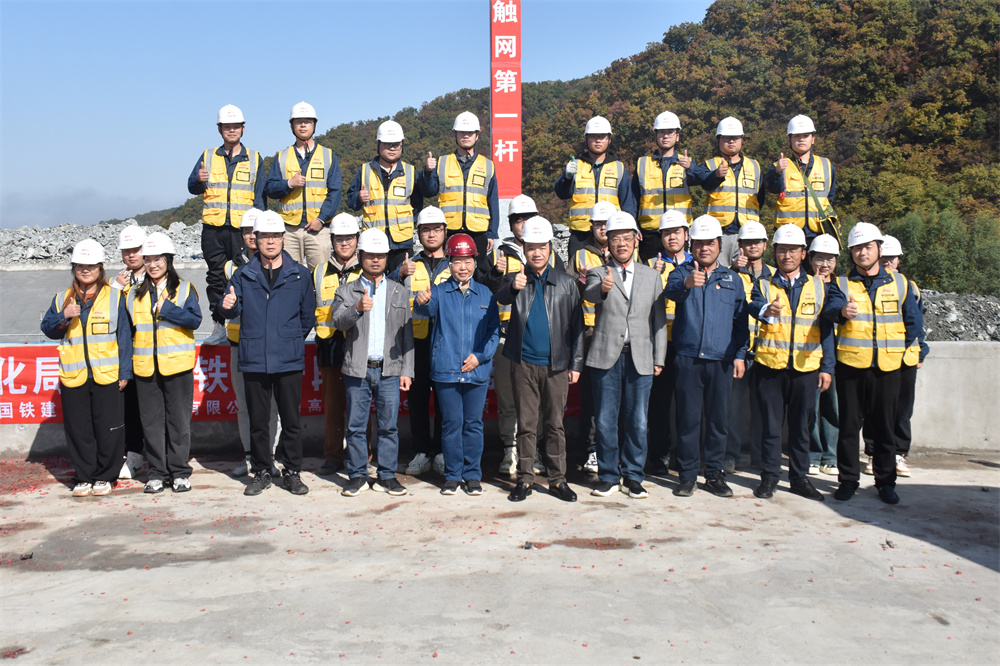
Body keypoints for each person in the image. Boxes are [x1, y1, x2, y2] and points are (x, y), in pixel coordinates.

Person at [219, 211, 316, 497]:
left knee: (291, 420)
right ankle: (261, 471)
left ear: (283, 239)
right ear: (255, 239)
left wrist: (289, 339)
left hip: (288, 357)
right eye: (264, 236)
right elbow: (232, 309)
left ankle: (292, 472)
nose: (270, 242)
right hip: (254, 358)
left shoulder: (299, 274)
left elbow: (307, 316)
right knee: (258, 421)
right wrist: (227, 305)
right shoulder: (243, 274)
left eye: (275, 236)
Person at [748, 225, 845, 501]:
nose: (787, 256)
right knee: (771, 427)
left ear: (803, 254)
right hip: (770, 367)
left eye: (793, 250)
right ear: (774, 252)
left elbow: (827, 328)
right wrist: (766, 309)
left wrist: (827, 368)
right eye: (782, 250)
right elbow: (753, 305)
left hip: (806, 368)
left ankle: (799, 478)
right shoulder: (763, 284)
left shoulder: (820, 286)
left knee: (802, 427)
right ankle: (769, 477)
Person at [831, 223, 922, 504]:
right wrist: (842, 311)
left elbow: (913, 322)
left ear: (879, 250)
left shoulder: (900, 283)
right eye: (856, 248)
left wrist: (896, 352)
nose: (862, 253)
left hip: (887, 368)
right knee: (848, 428)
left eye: (867, 247)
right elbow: (829, 310)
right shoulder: (841, 283)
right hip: (850, 366)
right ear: (851, 253)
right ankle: (848, 480)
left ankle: (885, 482)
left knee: (884, 428)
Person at [496, 217, 584, 502]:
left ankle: (558, 480)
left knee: (555, 424)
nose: (536, 253)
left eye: (542, 247)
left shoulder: (566, 283)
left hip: (556, 366)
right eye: (531, 247)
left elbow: (578, 327)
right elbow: (500, 295)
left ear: (550, 248)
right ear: (524, 249)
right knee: (526, 423)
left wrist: (576, 364)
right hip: (523, 364)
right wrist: (513, 286)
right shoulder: (516, 278)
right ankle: (525, 479)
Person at [664, 215, 749, 498]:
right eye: (699, 243)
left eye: (709, 243)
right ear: (692, 245)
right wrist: (688, 283)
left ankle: (714, 474)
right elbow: (671, 292)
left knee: (717, 421)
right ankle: (687, 476)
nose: (704, 248)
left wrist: (739, 355)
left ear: (719, 245)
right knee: (688, 420)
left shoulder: (733, 279)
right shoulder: (681, 273)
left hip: (721, 360)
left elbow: (740, 321)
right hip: (688, 358)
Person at [584, 211, 667, 499]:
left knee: (638, 421)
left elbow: (659, 320)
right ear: (608, 243)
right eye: (615, 238)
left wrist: (659, 357)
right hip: (607, 356)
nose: (621, 243)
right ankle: (608, 476)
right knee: (605, 420)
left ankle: (633, 476)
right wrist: (603, 290)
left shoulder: (651, 276)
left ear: (636, 240)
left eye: (626, 238)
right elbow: (590, 294)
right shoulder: (599, 272)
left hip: (640, 356)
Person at [41, 240, 133, 497]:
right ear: (74, 268)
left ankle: (105, 476)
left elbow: (124, 337)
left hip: (107, 374)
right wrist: (64, 315)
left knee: (109, 428)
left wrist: (125, 372)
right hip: (75, 375)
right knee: (78, 429)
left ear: (100, 268)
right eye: (80, 265)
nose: (85, 270)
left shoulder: (114, 296)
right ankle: (84, 476)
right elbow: (48, 329)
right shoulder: (62, 299)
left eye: (91, 266)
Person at [482, 194, 562, 477]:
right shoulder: (497, 253)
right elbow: (484, 289)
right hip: (507, 337)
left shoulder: (550, 253)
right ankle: (510, 450)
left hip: (538, 339)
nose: (523, 223)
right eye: (518, 219)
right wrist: (495, 274)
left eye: (528, 218)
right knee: (508, 399)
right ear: (511, 222)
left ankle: (533, 451)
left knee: (535, 402)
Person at [413, 233, 500, 495]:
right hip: (446, 369)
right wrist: (421, 301)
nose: (463, 267)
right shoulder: (439, 292)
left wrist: (479, 357)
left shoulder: (485, 293)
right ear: (449, 263)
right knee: (451, 424)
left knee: (473, 424)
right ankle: (452, 476)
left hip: (476, 370)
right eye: (457, 261)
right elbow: (424, 310)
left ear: (475, 262)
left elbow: (493, 332)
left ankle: (472, 475)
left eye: (468, 261)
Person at [331, 228, 414, 497]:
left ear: (387, 258)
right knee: (356, 426)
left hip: (389, 369)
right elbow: (337, 322)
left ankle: (387, 475)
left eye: (381, 255)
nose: (375, 260)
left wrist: (407, 370)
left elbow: (407, 333)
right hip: (358, 369)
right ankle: (357, 475)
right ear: (360, 256)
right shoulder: (347, 291)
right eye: (370, 255)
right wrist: (356, 309)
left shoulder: (399, 291)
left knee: (389, 426)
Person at [127, 232, 203, 494]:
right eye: (148, 260)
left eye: (157, 259)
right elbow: (128, 331)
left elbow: (195, 320)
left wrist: (167, 309)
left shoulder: (184, 289)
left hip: (177, 366)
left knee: (178, 422)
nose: (152, 264)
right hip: (146, 367)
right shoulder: (134, 293)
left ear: (168, 260)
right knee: (151, 423)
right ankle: (157, 473)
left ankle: (179, 472)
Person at [187, 104, 266, 346]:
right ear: (219, 129)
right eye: (227, 127)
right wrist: (198, 180)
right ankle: (219, 324)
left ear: (243, 129)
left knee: (247, 273)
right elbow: (192, 186)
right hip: (214, 229)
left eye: (236, 127)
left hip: (243, 230)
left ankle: (248, 322)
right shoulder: (208, 156)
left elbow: (260, 198)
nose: (231, 130)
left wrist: (258, 230)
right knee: (216, 278)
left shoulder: (254, 158)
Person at [861, 234, 929, 478]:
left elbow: (917, 323)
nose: (888, 262)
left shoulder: (908, 286)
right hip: (877, 358)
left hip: (905, 359)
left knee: (902, 409)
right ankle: (873, 453)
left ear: (899, 260)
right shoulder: (868, 285)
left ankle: (899, 453)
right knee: (873, 408)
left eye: (892, 258)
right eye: (885, 258)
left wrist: (921, 350)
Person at [394, 207, 452, 477]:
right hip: (415, 343)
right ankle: (420, 452)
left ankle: (440, 452)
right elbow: (389, 291)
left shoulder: (454, 264)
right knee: (416, 400)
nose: (431, 235)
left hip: (445, 343)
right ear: (418, 233)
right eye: (426, 230)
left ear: (445, 232)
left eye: (436, 229)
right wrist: (399, 273)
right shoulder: (409, 265)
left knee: (444, 400)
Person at [224, 209, 281, 478]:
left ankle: (270, 456)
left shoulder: (280, 264)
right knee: (245, 404)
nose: (250, 236)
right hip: (240, 343)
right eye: (246, 231)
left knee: (272, 407)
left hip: (271, 345)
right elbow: (223, 303)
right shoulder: (231, 268)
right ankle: (250, 456)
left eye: (254, 231)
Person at [568, 200, 618, 473]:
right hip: (589, 331)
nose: (602, 229)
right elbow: (568, 291)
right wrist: (581, 282)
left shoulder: (626, 254)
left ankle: (611, 447)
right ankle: (590, 448)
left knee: (613, 393)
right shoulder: (580, 256)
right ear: (591, 227)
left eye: (606, 225)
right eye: (598, 224)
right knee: (590, 394)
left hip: (615, 330)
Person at [314, 213, 364, 476]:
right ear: (332, 241)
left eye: (349, 238)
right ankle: (333, 456)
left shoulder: (366, 270)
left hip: (359, 346)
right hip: (330, 346)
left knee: (360, 405)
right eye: (339, 239)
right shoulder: (319, 272)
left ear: (357, 239)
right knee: (333, 407)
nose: (344, 243)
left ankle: (363, 456)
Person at [265, 101, 343, 270]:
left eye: (307, 121)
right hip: (289, 230)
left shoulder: (328, 156)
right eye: (298, 122)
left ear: (314, 125)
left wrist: (321, 219)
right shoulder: (282, 157)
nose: (302, 125)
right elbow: (270, 189)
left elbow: (335, 191)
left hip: (318, 230)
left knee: (320, 275)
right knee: (290, 276)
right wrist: (288, 184)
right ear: (291, 126)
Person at [346, 120, 432, 273]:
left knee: (402, 282)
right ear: (378, 144)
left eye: (396, 145)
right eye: (387, 144)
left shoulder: (410, 171)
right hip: (373, 241)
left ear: (402, 145)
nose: (392, 148)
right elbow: (350, 201)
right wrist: (358, 198)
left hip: (402, 243)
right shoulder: (365, 170)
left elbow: (418, 203)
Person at [725, 221, 774, 472]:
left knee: (764, 408)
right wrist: (734, 268)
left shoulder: (774, 275)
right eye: (747, 242)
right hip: (738, 350)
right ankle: (730, 455)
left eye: (757, 242)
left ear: (765, 245)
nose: (753, 246)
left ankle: (761, 456)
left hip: (767, 349)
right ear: (740, 245)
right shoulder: (730, 273)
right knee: (732, 408)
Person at [645, 210, 691, 475]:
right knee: (659, 406)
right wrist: (652, 276)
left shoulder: (697, 263)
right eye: (666, 233)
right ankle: (659, 457)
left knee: (687, 406)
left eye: (676, 232)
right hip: (660, 344)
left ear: (686, 234)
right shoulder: (650, 264)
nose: (672, 237)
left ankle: (685, 459)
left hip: (687, 342)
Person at [424, 112, 499, 274]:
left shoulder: (488, 165)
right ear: (454, 134)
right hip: (449, 229)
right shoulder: (442, 162)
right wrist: (428, 172)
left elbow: (492, 201)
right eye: (462, 132)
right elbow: (430, 191)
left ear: (477, 136)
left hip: (478, 230)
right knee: (447, 271)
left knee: (479, 272)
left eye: (470, 133)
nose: (466, 136)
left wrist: (492, 233)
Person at [556, 116, 635, 259]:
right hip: (581, 233)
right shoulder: (576, 165)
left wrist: (631, 229)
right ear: (586, 139)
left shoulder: (618, 167)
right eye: (593, 136)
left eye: (602, 136)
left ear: (609, 139)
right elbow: (562, 193)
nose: (598, 140)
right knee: (578, 269)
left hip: (610, 231)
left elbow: (628, 203)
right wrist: (566, 178)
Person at [693, 117, 766, 267]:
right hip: (720, 232)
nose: (731, 141)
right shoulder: (710, 164)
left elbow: (761, 197)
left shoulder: (754, 166)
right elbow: (705, 185)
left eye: (735, 138)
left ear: (742, 139)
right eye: (726, 137)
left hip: (748, 233)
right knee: (719, 272)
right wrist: (716, 175)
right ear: (719, 140)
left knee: (747, 273)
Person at [632, 111, 702, 262]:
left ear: (677, 136)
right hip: (650, 232)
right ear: (655, 135)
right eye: (661, 132)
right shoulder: (643, 163)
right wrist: (634, 225)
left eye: (670, 132)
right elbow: (633, 198)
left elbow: (704, 180)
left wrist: (691, 168)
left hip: (677, 231)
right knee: (651, 272)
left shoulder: (686, 162)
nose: (665, 136)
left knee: (680, 271)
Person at [110, 223, 147, 481]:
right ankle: (133, 455)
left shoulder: (157, 278)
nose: (131, 255)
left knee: (151, 410)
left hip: (151, 353)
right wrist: (114, 288)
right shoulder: (117, 282)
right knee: (130, 408)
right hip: (126, 355)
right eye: (126, 251)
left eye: (136, 250)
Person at [766, 114, 836, 246]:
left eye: (805, 136)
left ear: (813, 139)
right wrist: (777, 172)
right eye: (797, 136)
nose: (801, 139)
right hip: (788, 234)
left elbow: (830, 197)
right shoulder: (779, 166)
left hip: (818, 231)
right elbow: (772, 188)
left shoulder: (826, 165)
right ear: (789, 140)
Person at [806, 233, 842, 475]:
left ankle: (831, 456)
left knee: (833, 408)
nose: (825, 264)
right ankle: (813, 454)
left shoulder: (841, 286)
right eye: (820, 258)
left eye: (830, 259)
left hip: (840, 356)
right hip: (810, 355)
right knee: (811, 408)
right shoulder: (804, 285)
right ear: (810, 259)